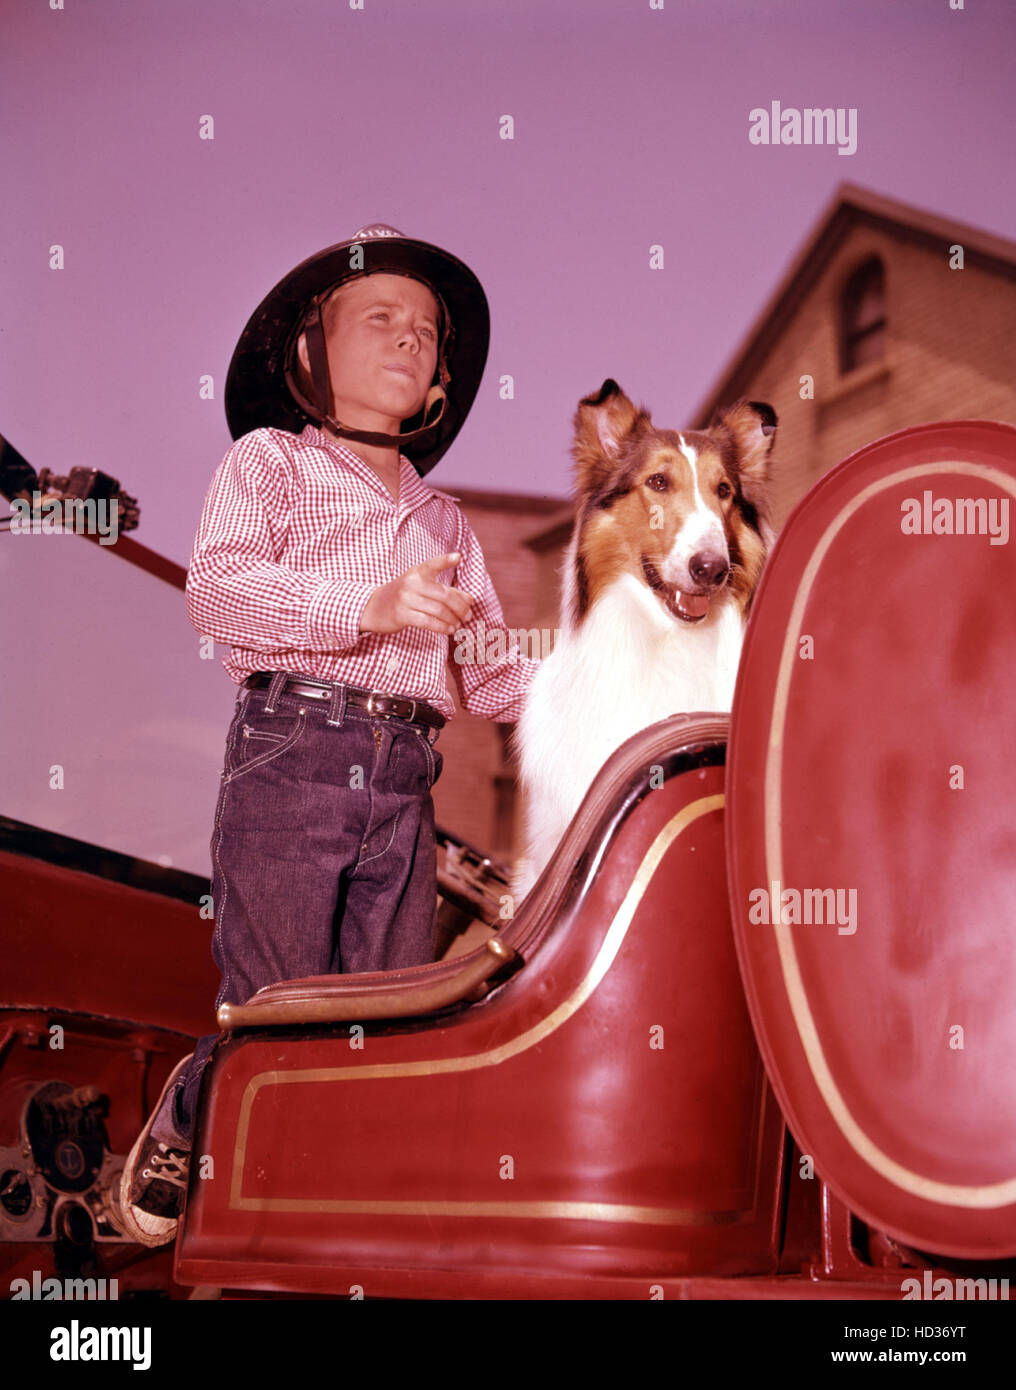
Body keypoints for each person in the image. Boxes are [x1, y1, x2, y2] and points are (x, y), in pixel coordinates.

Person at [118, 223, 539, 1246]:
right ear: (311, 350)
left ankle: (328, 1212)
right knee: (281, 996)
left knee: (380, 1013)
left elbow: (493, 676)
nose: (409, 341)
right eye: (379, 319)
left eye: (426, 333)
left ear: (439, 376)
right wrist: (371, 605)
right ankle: (191, 1114)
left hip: (405, 779)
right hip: (291, 750)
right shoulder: (270, 465)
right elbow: (218, 593)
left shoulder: (446, 525)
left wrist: (618, 681)